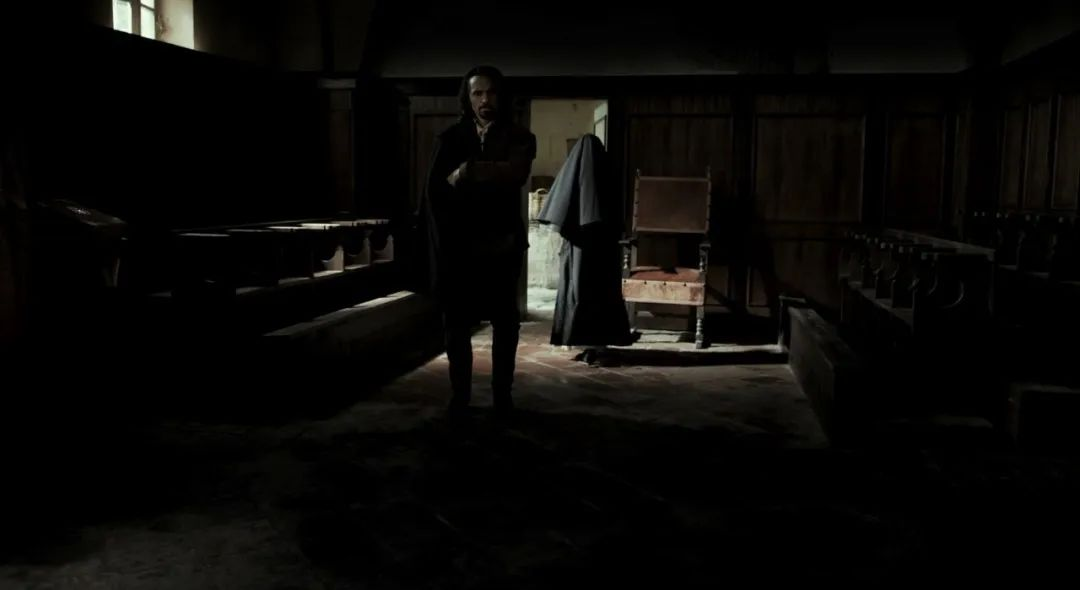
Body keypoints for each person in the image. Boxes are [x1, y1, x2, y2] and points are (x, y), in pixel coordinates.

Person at [417, 65, 537, 416]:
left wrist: (466, 171)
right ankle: (460, 395)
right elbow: (435, 191)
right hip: (460, 249)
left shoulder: (520, 137)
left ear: (502, 96)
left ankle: (502, 395)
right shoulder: (450, 138)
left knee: (505, 324)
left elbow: (514, 173)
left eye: (492, 92)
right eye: (478, 93)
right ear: (467, 98)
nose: (486, 99)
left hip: (503, 246)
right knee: (456, 324)